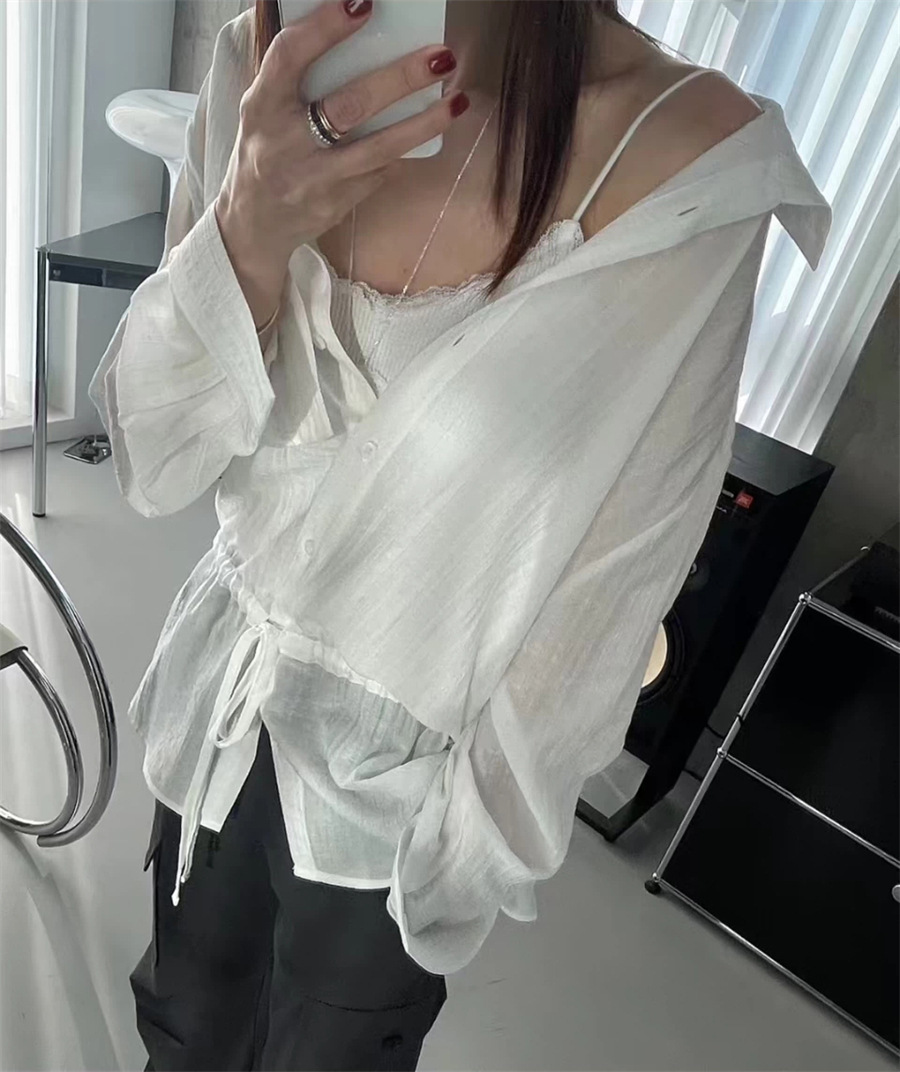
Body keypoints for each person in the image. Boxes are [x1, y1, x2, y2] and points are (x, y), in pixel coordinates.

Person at [88, 0, 831, 1069]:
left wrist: (460, 854)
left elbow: (613, 586)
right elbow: (155, 457)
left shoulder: (683, 162)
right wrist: (247, 229)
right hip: (212, 718)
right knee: (181, 1029)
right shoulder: (263, 58)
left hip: (396, 823)